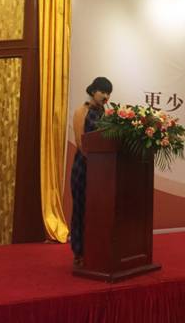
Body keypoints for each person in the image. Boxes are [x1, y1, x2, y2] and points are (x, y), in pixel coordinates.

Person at [70, 76, 113, 266]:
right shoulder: (82, 111)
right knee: (81, 209)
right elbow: (81, 142)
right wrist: (95, 162)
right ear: (93, 91)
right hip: (83, 166)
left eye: (108, 93)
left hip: (101, 171)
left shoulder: (107, 114)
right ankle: (79, 253)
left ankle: (96, 251)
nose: (106, 96)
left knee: (98, 211)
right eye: (102, 91)